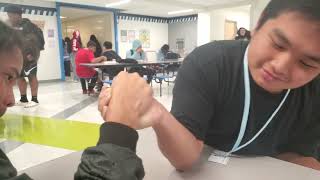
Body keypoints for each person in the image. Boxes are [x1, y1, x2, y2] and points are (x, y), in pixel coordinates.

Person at [102, 0, 320, 171]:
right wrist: (159, 115)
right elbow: (186, 160)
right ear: (259, 23)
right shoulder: (208, 64)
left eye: (307, 63)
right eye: (278, 44)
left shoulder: (313, 90)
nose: (281, 66)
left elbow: (300, 155)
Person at [0, 21, 146, 180]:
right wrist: (118, 131)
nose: (10, 101)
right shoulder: (89, 52)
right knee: (96, 74)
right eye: (8, 77)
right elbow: (93, 62)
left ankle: (89, 89)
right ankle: (91, 88)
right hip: (87, 72)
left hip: (80, 73)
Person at [5, 4, 45, 108]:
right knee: (20, 78)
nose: (9, 18)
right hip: (18, 59)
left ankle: (35, 99)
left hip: (29, 58)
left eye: (11, 15)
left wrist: (33, 54)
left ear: (18, 15)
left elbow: (38, 40)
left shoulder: (29, 25)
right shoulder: (11, 27)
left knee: (32, 77)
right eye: (8, 15)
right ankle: (23, 99)